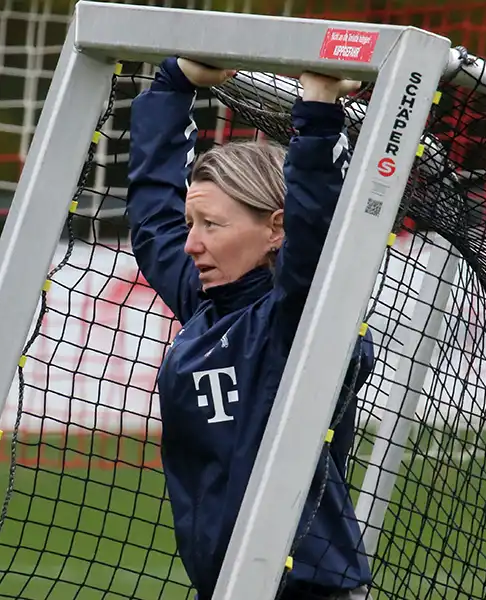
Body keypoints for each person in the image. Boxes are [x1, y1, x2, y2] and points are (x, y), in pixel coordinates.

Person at [126, 56, 375, 600]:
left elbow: (318, 227)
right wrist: (173, 86)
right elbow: (152, 222)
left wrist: (317, 111)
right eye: (192, 223)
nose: (192, 244)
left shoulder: (304, 319)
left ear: (275, 231)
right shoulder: (207, 304)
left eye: (212, 225)